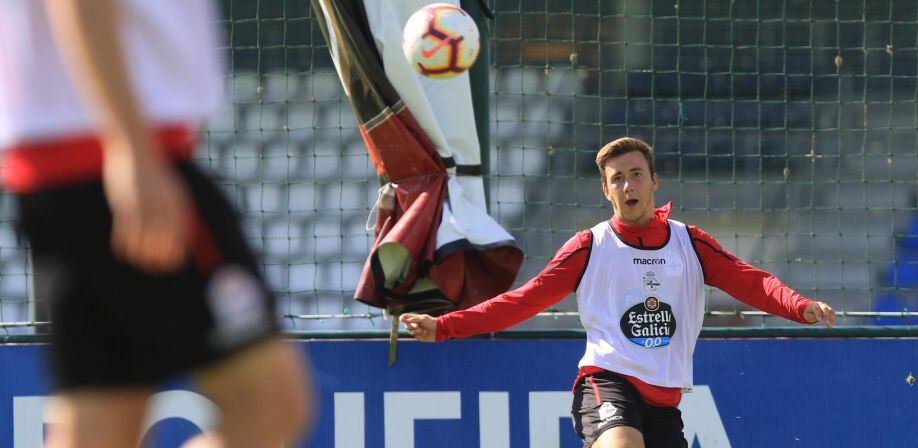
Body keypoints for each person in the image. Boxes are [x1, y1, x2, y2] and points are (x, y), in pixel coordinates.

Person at [0, 0, 312, 446]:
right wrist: (129, 147)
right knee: (271, 403)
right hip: (111, 151)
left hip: (71, 159)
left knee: (101, 428)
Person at [402, 137, 836, 448]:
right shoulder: (589, 246)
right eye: (618, 179)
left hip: (665, 399)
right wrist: (444, 326)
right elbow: (524, 299)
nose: (629, 186)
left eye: (636, 175)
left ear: (654, 182)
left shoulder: (691, 242)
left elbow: (751, 280)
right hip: (605, 382)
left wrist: (800, 307)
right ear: (605, 190)